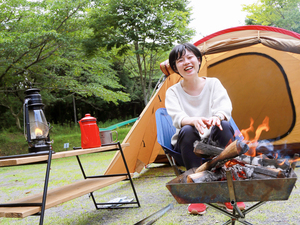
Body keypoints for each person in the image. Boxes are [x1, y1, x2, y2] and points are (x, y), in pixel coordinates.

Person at [165, 43, 245, 215]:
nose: (186, 62)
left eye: (189, 57)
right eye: (180, 60)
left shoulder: (213, 84)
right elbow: (178, 117)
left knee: (223, 125)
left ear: (198, 60)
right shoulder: (173, 92)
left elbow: (224, 108)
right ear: (175, 67)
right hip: (188, 144)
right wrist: (194, 120)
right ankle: (197, 193)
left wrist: (217, 117)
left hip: (213, 142)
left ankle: (227, 189)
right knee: (187, 129)